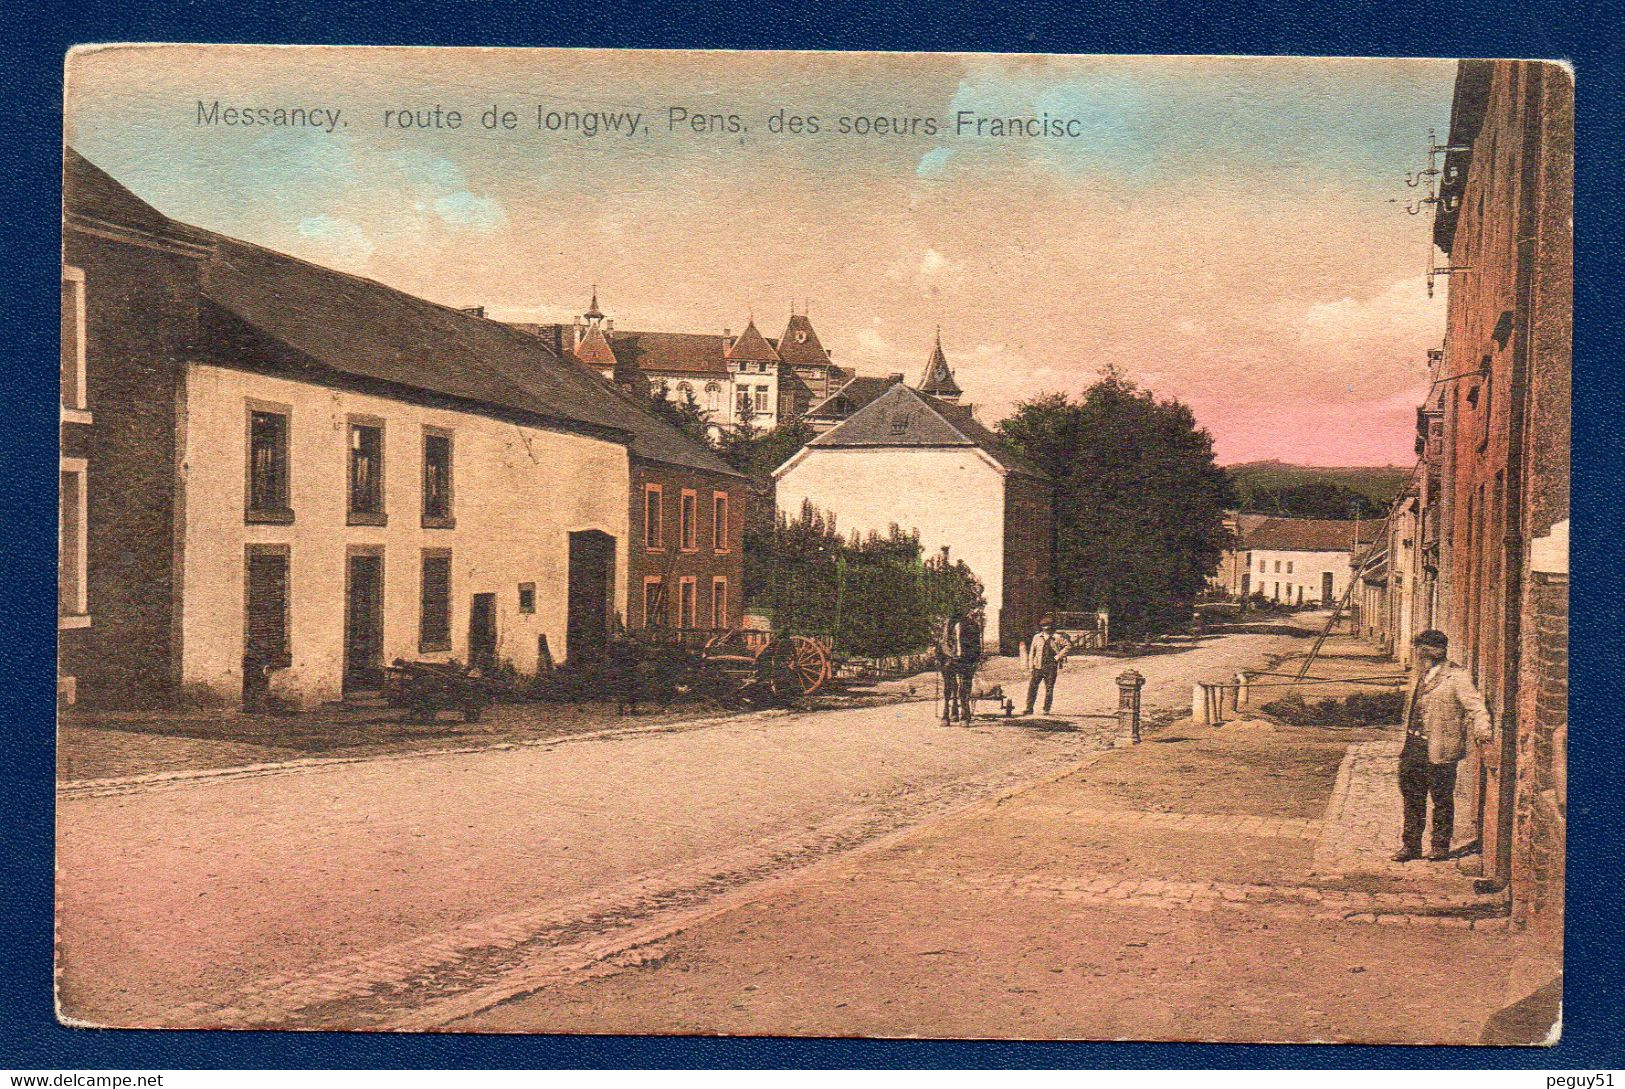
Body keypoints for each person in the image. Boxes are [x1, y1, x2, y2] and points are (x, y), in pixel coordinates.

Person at [1393, 629, 1493, 862]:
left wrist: (1483, 732)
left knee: (1442, 799)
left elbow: (1475, 706)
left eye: (1420, 650)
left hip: (1441, 748)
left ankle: (1440, 845)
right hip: (1413, 746)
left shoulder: (1456, 676)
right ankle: (1411, 846)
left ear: (1430, 651)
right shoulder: (1418, 675)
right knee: (1412, 797)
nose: (1417, 655)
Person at [1023, 615, 1073, 715]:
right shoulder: (1037, 637)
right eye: (1044, 627)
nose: (1046, 629)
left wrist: (1058, 656)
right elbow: (1032, 652)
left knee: (1049, 688)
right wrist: (1031, 666)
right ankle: (1029, 708)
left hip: (1051, 666)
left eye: (1049, 627)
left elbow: (1068, 646)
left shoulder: (1057, 637)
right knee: (1032, 687)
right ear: (1041, 627)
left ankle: (1046, 709)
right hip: (1038, 666)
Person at [605, 614, 642, 716]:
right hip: (622, 669)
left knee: (629, 689)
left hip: (627, 669)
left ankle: (630, 708)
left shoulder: (627, 646)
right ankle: (624, 708)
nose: (616, 637)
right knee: (623, 689)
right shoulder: (617, 646)